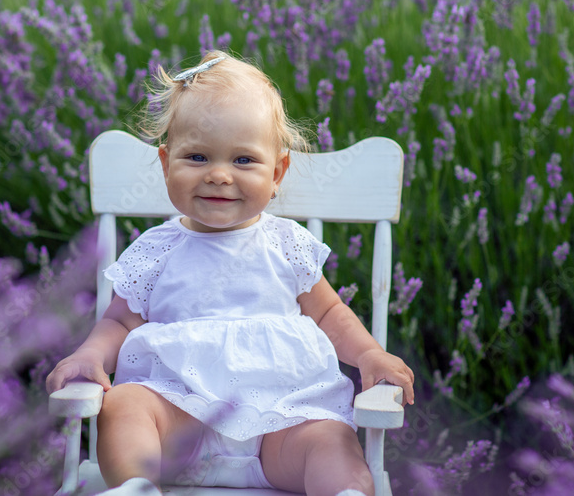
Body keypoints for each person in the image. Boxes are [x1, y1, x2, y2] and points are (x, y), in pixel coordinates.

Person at [45, 50, 415, 496]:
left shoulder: (286, 243)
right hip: (179, 426)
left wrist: (371, 356)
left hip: (282, 423)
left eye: (243, 161)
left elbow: (329, 313)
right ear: (166, 165)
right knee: (123, 405)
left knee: (330, 438)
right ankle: (137, 487)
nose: (219, 176)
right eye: (198, 157)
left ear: (277, 172)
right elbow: (120, 321)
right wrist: (89, 355)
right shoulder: (157, 249)